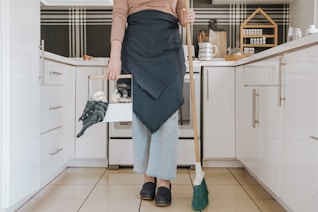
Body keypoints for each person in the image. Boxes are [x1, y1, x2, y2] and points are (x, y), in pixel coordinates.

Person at [106, 0, 195, 207]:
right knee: (141, 115)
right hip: (137, 48)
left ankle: (164, 180)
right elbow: (119, 15)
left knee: (168, 114)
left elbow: (181, 13)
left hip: (168, 47)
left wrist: (187, 17)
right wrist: (114, 56)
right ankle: (148, 177)